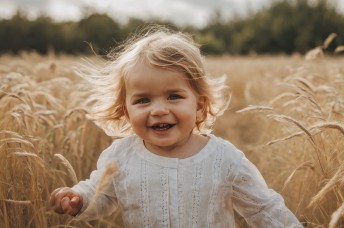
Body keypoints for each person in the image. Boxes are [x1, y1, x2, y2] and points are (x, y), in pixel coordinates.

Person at [50, 26, 302, 227]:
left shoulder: (224, 160)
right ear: (126, 111)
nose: (158, 109)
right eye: (143, 100)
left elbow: (263, 208)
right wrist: (79, 198)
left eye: (173, 96)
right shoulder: (121, 157)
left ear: (199, 106)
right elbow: (100, 193)